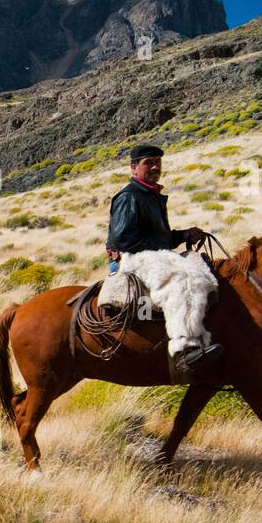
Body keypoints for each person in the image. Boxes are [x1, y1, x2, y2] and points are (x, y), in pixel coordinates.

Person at [105, 144, 221, 372]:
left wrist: (182, 235)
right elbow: (122, 239)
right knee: (180, 278)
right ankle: (184, 349)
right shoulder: (130, 195)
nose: (155, 166)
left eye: (157, 162)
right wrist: (163, 247)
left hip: (150, 253)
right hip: (133, 257)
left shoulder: (151, 195)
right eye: (148, 162)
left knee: (199, 270)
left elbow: (158, 237)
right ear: (133, 168)